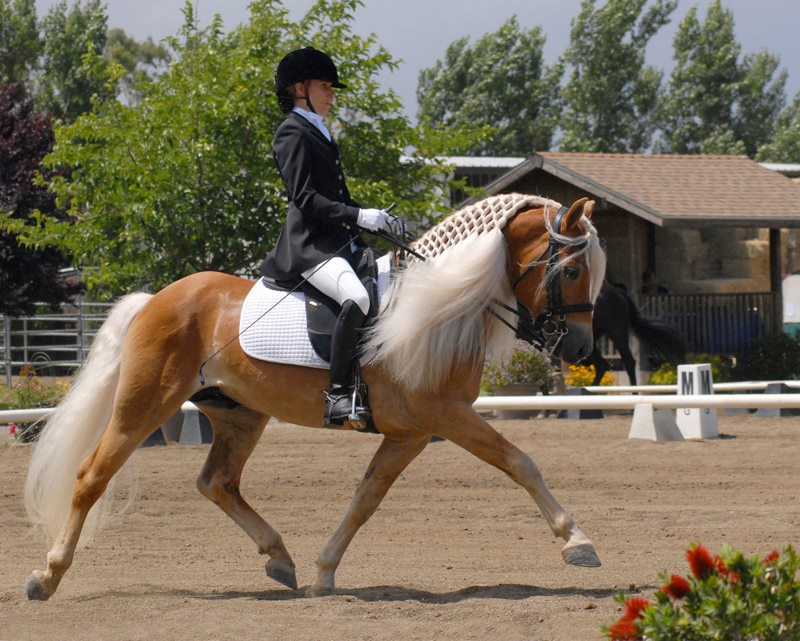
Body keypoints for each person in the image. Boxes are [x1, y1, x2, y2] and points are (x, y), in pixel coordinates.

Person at [261, 46, 393, 427]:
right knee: (356, 296)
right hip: (310, 247)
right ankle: (338, 395)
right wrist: (358, 215)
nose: (332, 93)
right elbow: (304, 197)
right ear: (300, 88)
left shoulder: (318, 130)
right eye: (325, 86)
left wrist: (374, 219)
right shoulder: (292, 132)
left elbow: (338, 196)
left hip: (337, 242)